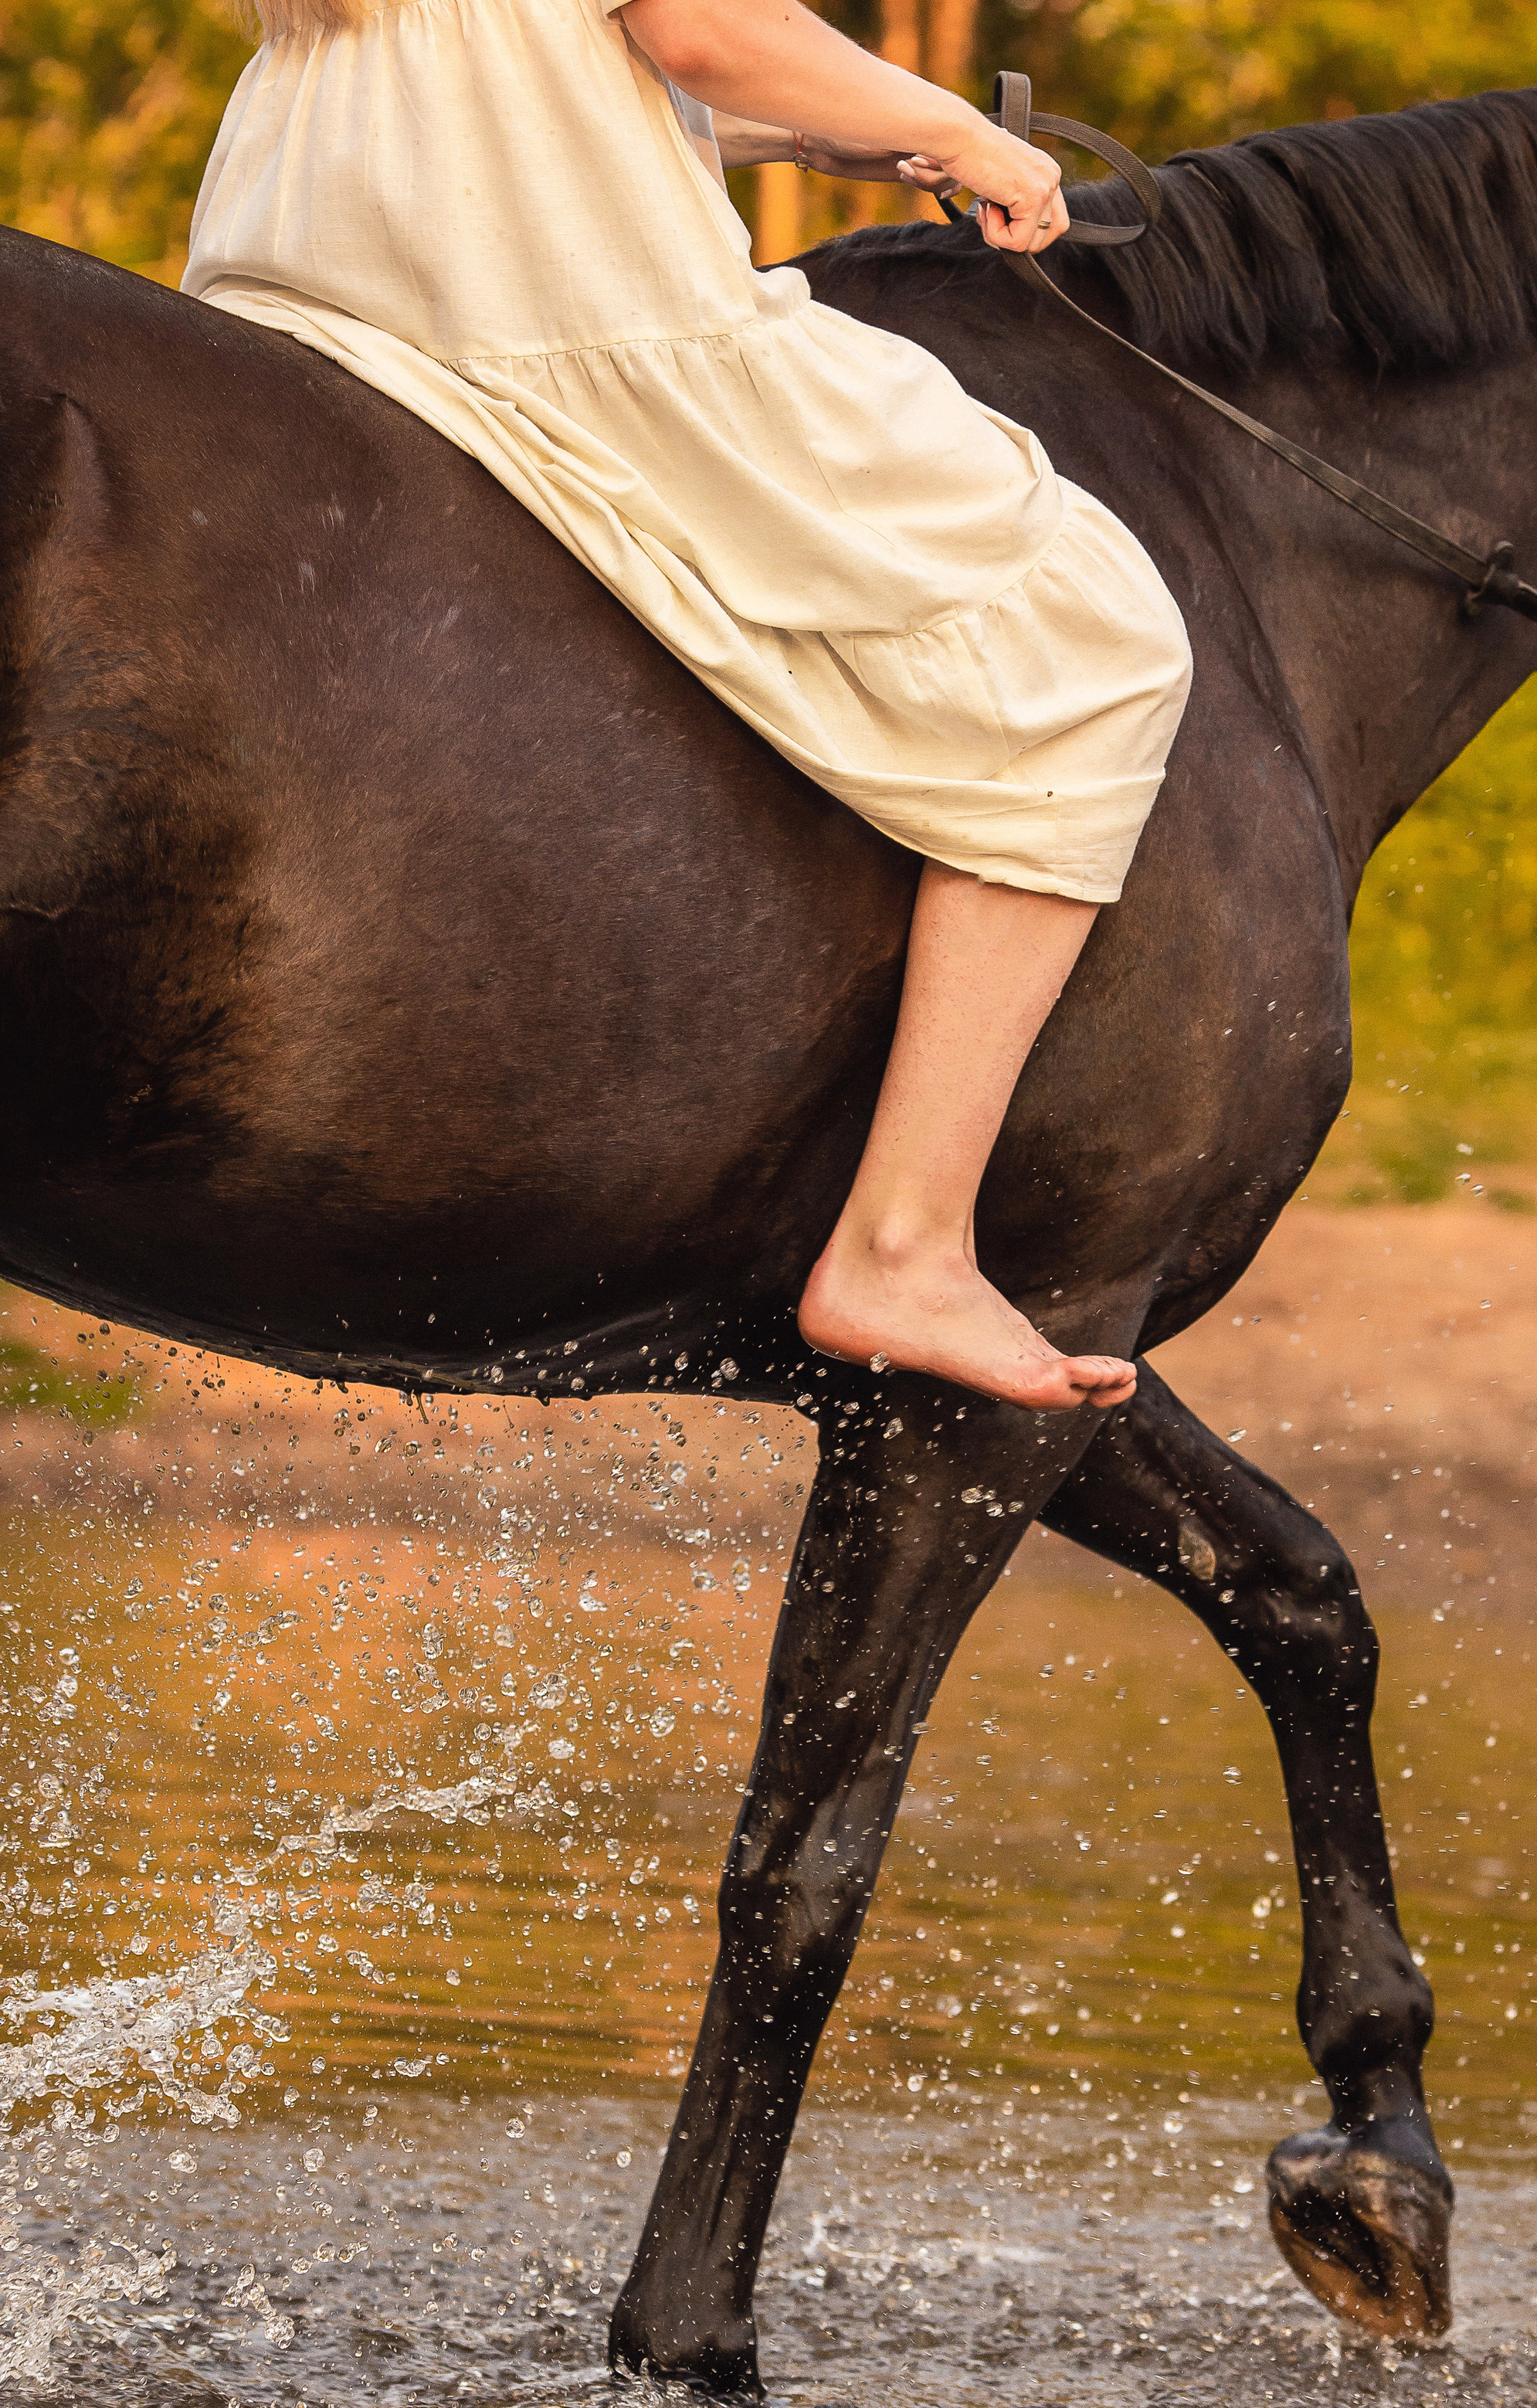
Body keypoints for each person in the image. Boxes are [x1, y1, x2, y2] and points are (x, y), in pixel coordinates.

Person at [183, 0, 1193, 1412]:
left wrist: (834, 125)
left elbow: (525, 52)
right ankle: (904, 1243)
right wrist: (963, 131)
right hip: (538, 304)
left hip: (320, 272)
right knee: (1096, 634)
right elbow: (709, 23)